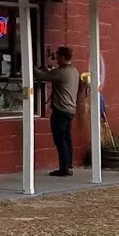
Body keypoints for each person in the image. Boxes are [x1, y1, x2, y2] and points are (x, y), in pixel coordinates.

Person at [33, 46, 80, 176]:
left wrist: (29, 65)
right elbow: (52, 73)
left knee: (60, 140)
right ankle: (68, 165)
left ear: (63, 58)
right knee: (67, 138)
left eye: (58, 57)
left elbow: (41, 75)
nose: (57, 59)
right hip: (70, 110)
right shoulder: (74, 71)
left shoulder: (61, 73)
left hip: (60, 109)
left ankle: (64, 167)